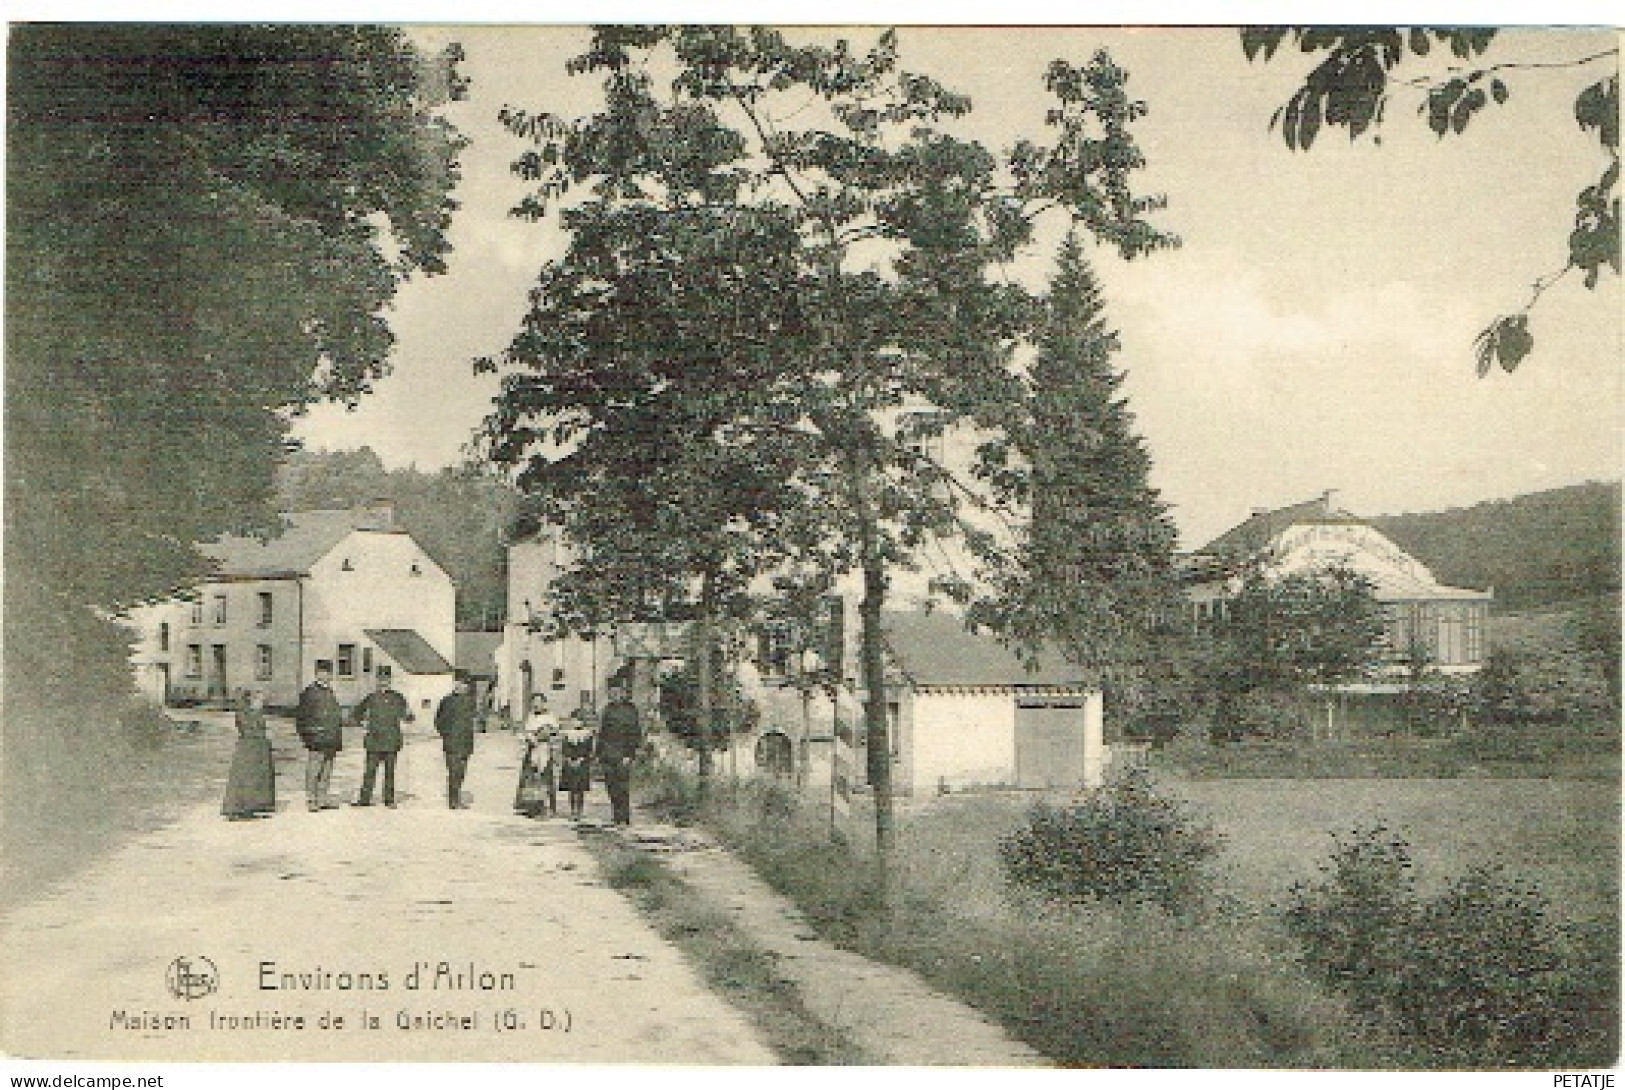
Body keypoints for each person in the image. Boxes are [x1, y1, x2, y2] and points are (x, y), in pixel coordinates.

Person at [352, 668, 413, 808]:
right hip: (374, 741)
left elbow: (408, 717)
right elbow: (356, 714)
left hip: (391, 741)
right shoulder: (371, 698)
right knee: (369, 771)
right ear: (377, 681)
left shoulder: (398, 698)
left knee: (390, 772)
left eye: (386, 679)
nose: (383, 682)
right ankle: (364, 799)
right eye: (380, 679)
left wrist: (409, 716)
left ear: (390, 681)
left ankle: (389, 800)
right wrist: (361, 722)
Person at [295, 661, 345, 811]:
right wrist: (308, 735)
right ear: (317, 674)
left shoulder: (330, 692)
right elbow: (301, 718)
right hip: (316, 737)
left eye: (329, 673)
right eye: (323, 672)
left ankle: (322, 799)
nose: (326, 676)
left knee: (327, 769)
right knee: (314, 769)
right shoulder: (309, 692)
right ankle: (311, 800)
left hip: (331, 737)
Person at [221, 688, 275, 819]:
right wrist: (262, 734)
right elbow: (247, 730)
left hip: (258, 748)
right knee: (246, 777)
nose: (262, 704)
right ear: (252, 701)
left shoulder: (256, 713)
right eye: (260, 701)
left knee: (257, 778)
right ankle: (239, 808)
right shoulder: (244, 713)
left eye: (263, 701)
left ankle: (253, 806)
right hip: (248, 749)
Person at [596, 683, 643, 827]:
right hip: (607, 753)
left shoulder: (630, 710)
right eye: (611, 692)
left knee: (622, 785)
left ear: (622, 693)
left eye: (616, 692)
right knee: (611, 786)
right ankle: (616, 816)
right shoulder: (607, 710)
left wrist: (630, 754)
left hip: (623, 753)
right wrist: (598, 753)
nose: (614, 695)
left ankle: (624, 817)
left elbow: (635, 733)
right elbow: (602, 733)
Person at [435, 672, 477, 810]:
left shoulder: (471, 701)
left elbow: (474, 720)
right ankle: (453, 801)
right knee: (454, 771)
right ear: (455, 684)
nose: (463, 686)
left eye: (465, 684)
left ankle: (456, 797)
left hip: (466, 742)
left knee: (461, 772)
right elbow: (438, 721)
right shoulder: (446, 701)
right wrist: (446, 734)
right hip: (452, 742)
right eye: (460, 683)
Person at [515, 693, 558, 818]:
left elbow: (554, 732)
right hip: (532, 748)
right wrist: (530, 738)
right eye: (534, 702)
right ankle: (531, 806)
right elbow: (526, 731)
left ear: (544, 703)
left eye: (539, 702)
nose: (536, 705)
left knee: (546, 778)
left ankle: (548, 807)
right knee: (530, 777)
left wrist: (546, 735)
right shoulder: (530, 717)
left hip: (545, 749)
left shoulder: (550, 717)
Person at [557, 702, 597, 821]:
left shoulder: (587, 734)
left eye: (579, 720)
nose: (576, 722)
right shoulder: (568, 734)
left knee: (580, 789)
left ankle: (579, 811)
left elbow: (588, 749)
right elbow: (565, 748)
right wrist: (569, 759)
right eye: (574, 720)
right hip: (570, 762)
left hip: (582, 763)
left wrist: (581, 759)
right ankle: (572, 810)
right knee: (571, 789)